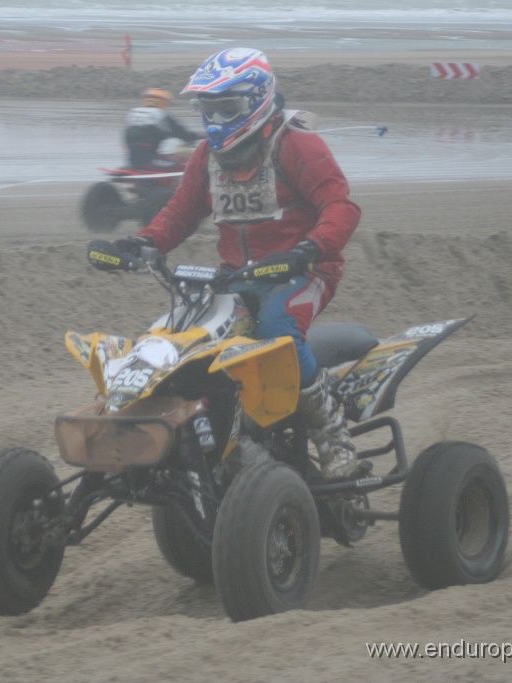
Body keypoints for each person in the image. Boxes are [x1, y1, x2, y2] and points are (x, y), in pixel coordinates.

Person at [101, 48, 362, 480]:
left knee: (277, 331)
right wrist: (143, 242)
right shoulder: (206, 156)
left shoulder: (297, 145)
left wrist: (310, 249)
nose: (217, 121)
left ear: (257, 101)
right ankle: (216, 433)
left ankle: (333, 435)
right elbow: (181, 213)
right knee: (180, 332)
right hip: (239, 276)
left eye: (228, 108)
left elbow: (341, 206)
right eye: (209, 109)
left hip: (304, 272)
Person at [123, 88, 203, 170]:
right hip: (150, 159)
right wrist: (202, 135)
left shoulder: (133, 112)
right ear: (162, 102)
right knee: (178, 164)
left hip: (134, 160)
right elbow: (184, 135)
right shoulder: (161, 115)